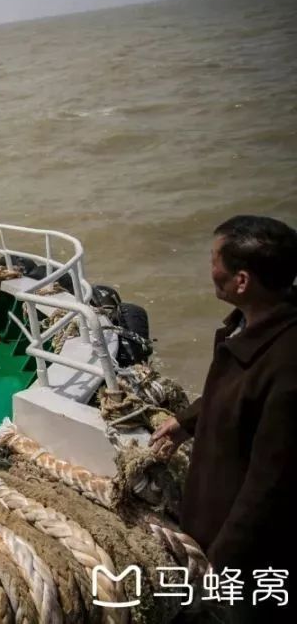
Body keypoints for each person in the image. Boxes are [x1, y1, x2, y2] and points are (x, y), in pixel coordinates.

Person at [151, 215, 297, 598]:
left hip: (249, 552)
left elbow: (270, 483)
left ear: (242, 280)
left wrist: (222, 561)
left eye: (215, 260)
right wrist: (187, 422)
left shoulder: (287, 365)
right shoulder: (249, 328)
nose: (210, 268)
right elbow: (235, 392)